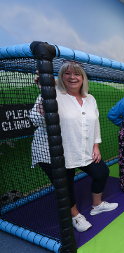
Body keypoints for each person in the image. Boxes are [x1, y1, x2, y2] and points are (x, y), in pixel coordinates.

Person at [30, 61, 118, 233]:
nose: (72, 77)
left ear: (83, 77)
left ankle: (97, 205)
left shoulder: (90, 99)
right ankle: (75, 216)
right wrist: (45, 91)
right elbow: (36, 119)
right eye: (67, 73)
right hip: (53, 152)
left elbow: (95, 124)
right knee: (65, 185)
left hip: (81, 148)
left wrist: (96, 146)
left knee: (101, 172)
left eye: (77, 73)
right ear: (61, 77)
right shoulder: (53, 94)